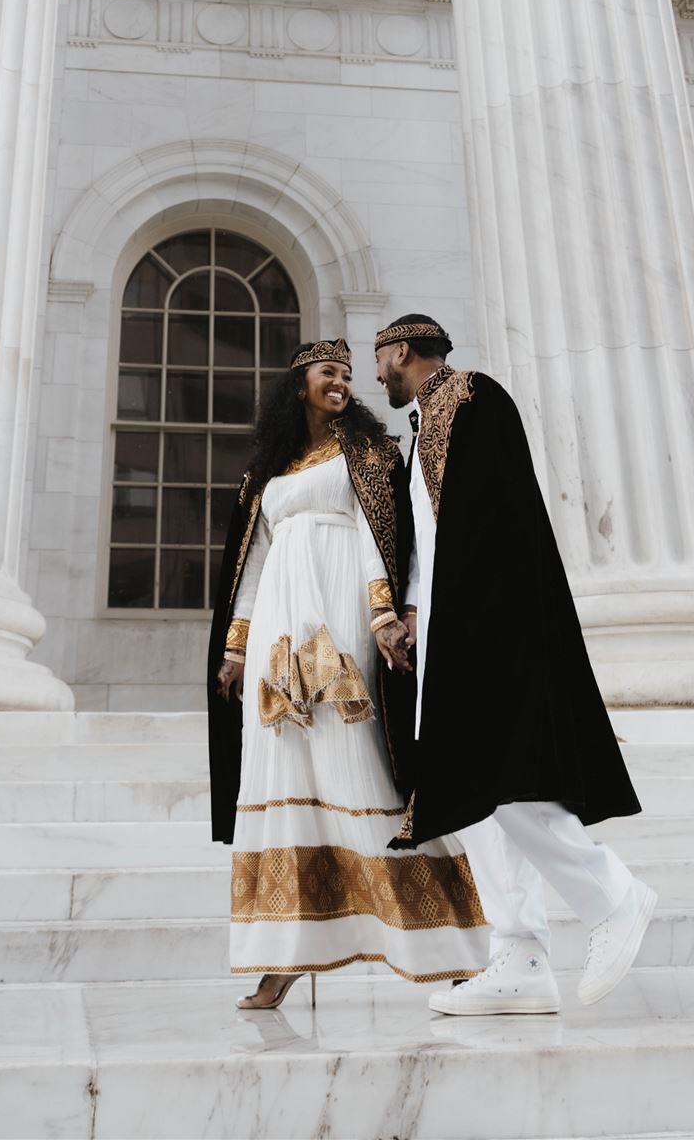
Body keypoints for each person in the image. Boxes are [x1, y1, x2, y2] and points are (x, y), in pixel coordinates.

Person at [374, 313, 656, 1016]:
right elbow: (428, 535)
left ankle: (611, 896)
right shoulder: (421, 426)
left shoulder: (473, 397)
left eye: (378, 358)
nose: (376, 371)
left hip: (488, 621)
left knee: (498, 773)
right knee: (470, 797)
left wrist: (475, 621)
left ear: (400, 351)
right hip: (444, 624)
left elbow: (502, 522)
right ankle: (519, 954)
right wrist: (408, 611)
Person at [208, 339, 487, 1008]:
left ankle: (448, 946)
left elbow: (377, 534)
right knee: (278, 773)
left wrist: (383, 614)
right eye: (327, 373)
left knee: (356, 763)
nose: (339, 383)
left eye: (345, 375)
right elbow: (250, 564)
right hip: (279, 618)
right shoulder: (268, 469)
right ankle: (280, 957)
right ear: (299, 383)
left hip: (338, 614)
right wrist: (237, 648)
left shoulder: (365, 452)